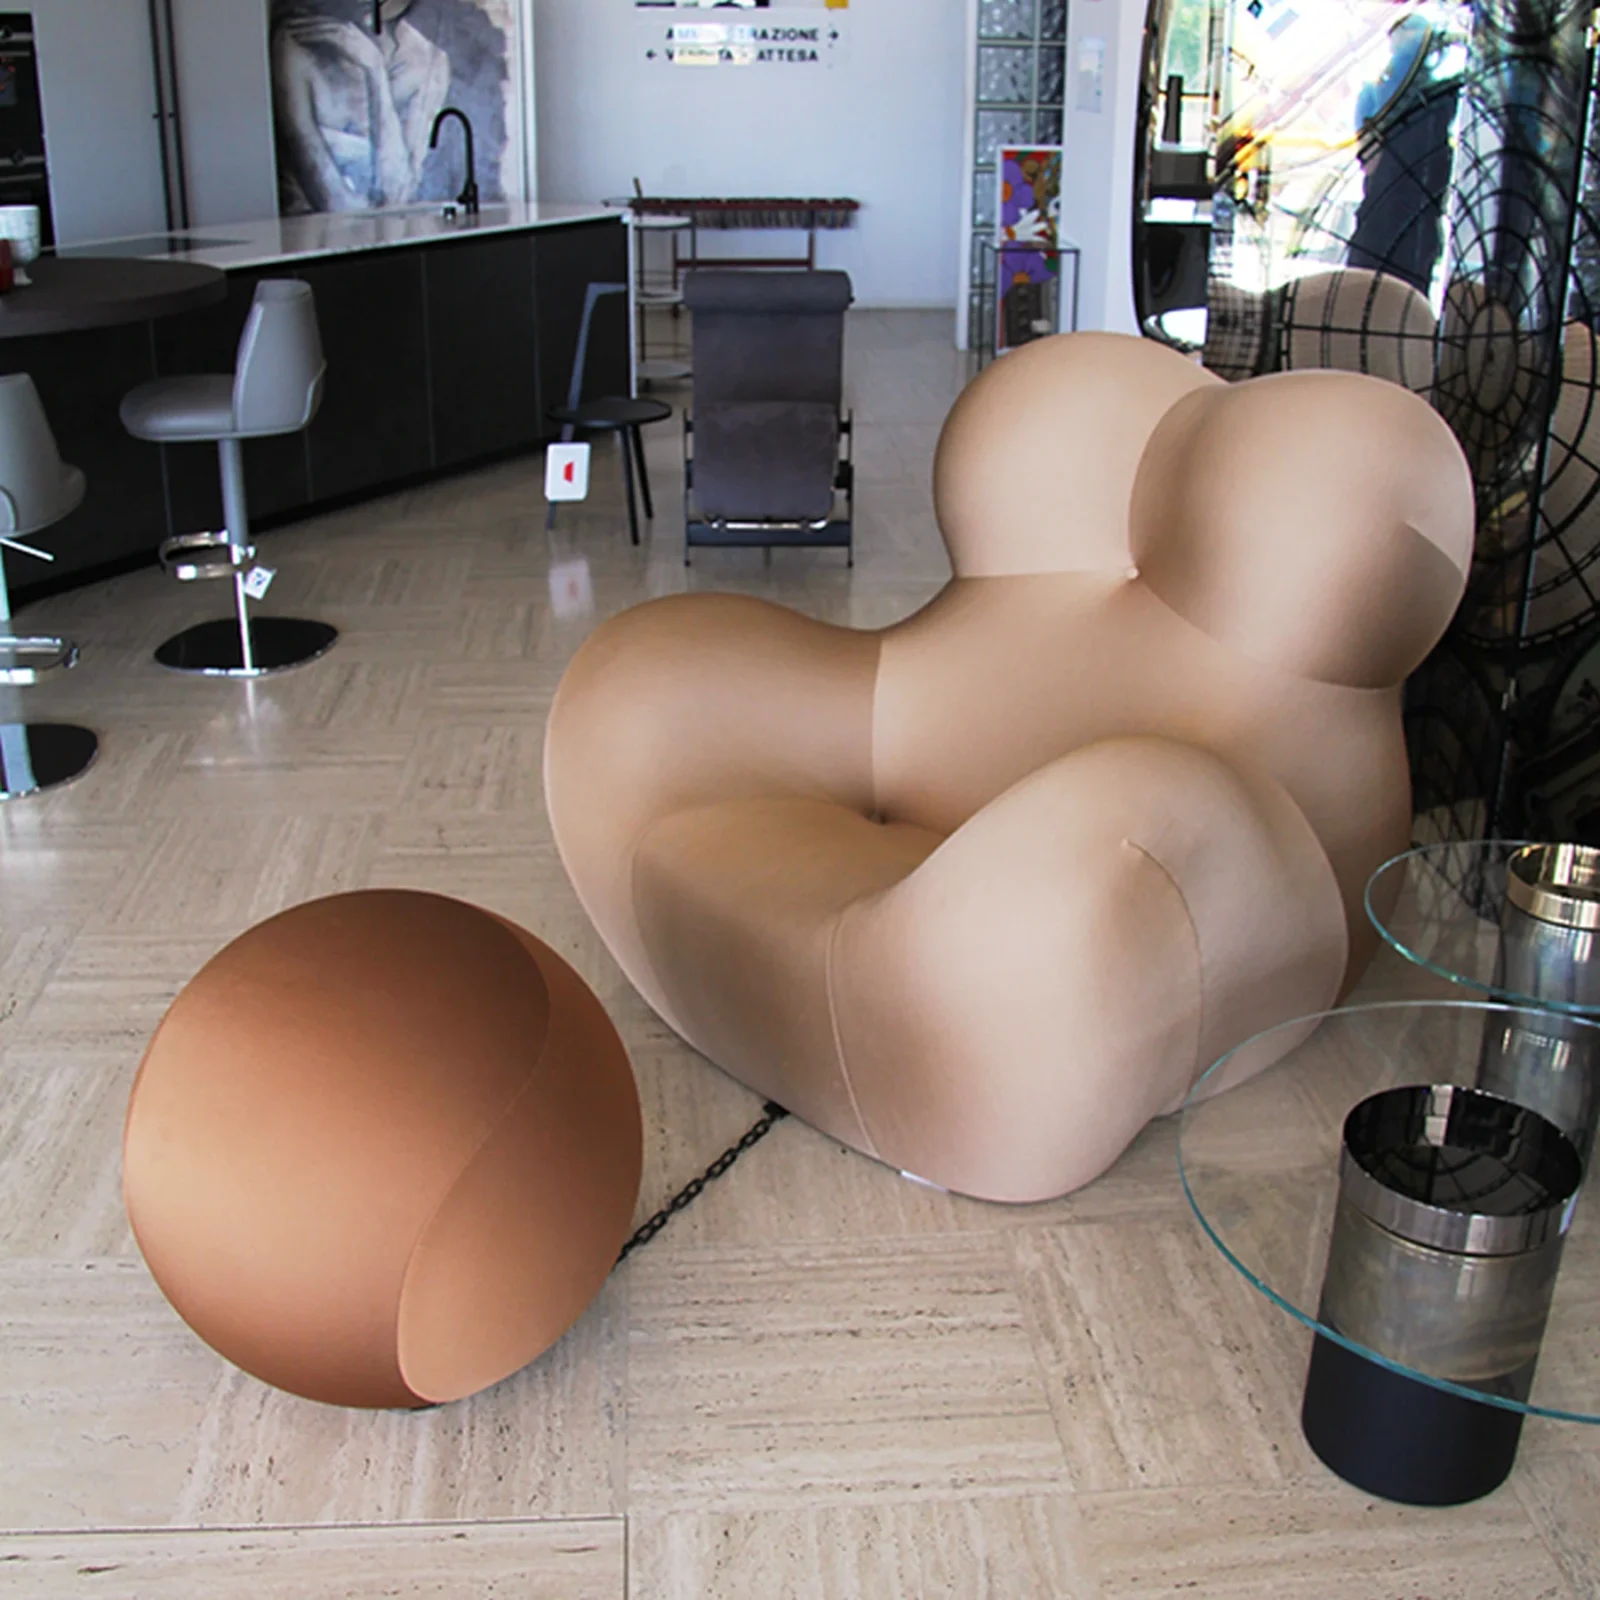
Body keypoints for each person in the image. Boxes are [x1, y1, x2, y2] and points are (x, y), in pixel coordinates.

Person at [271, 0, 450, 213]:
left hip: (390, 228)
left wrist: (375, 73)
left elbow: (397, 195)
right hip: (321, 228)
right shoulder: (296, 43)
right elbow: (335, 203)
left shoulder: (429, 61)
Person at [1348, 13, 1460, 293]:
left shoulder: (1434, 99)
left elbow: (1369, 159)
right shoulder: (1437, 101)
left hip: (1401, 231)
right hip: (1403, 231)